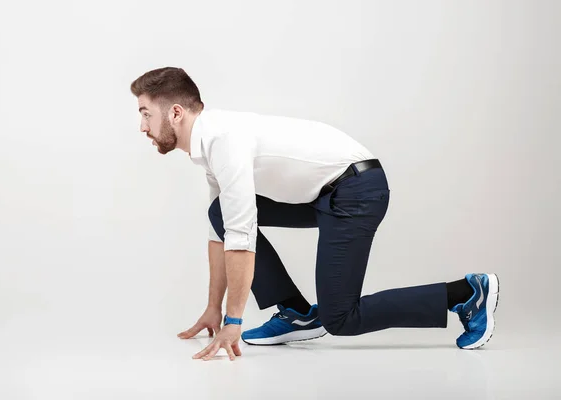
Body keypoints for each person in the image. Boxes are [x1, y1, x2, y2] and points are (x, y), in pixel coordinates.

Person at [130, 67, 500, 361]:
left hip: (356, 190)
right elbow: (223, 231)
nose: (142, 126)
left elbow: (241, 239)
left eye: (146, 113)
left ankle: (465, 293)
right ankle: (296, 312)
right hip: (322, 193)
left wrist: (234, 322)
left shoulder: (224, 140)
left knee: (341, 318)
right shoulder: (209, 144)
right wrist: (213, 308)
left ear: (175, 112)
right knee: (220, 214)